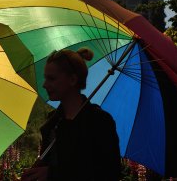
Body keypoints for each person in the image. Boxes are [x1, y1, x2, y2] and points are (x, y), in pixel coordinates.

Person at [22, 48, 121, 181]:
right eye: (45, 78)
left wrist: (53, 174)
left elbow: (108, 173)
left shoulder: (99, 122)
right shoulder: (54, 122)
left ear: (73, 79)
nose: (45, 85)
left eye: (51, 78)